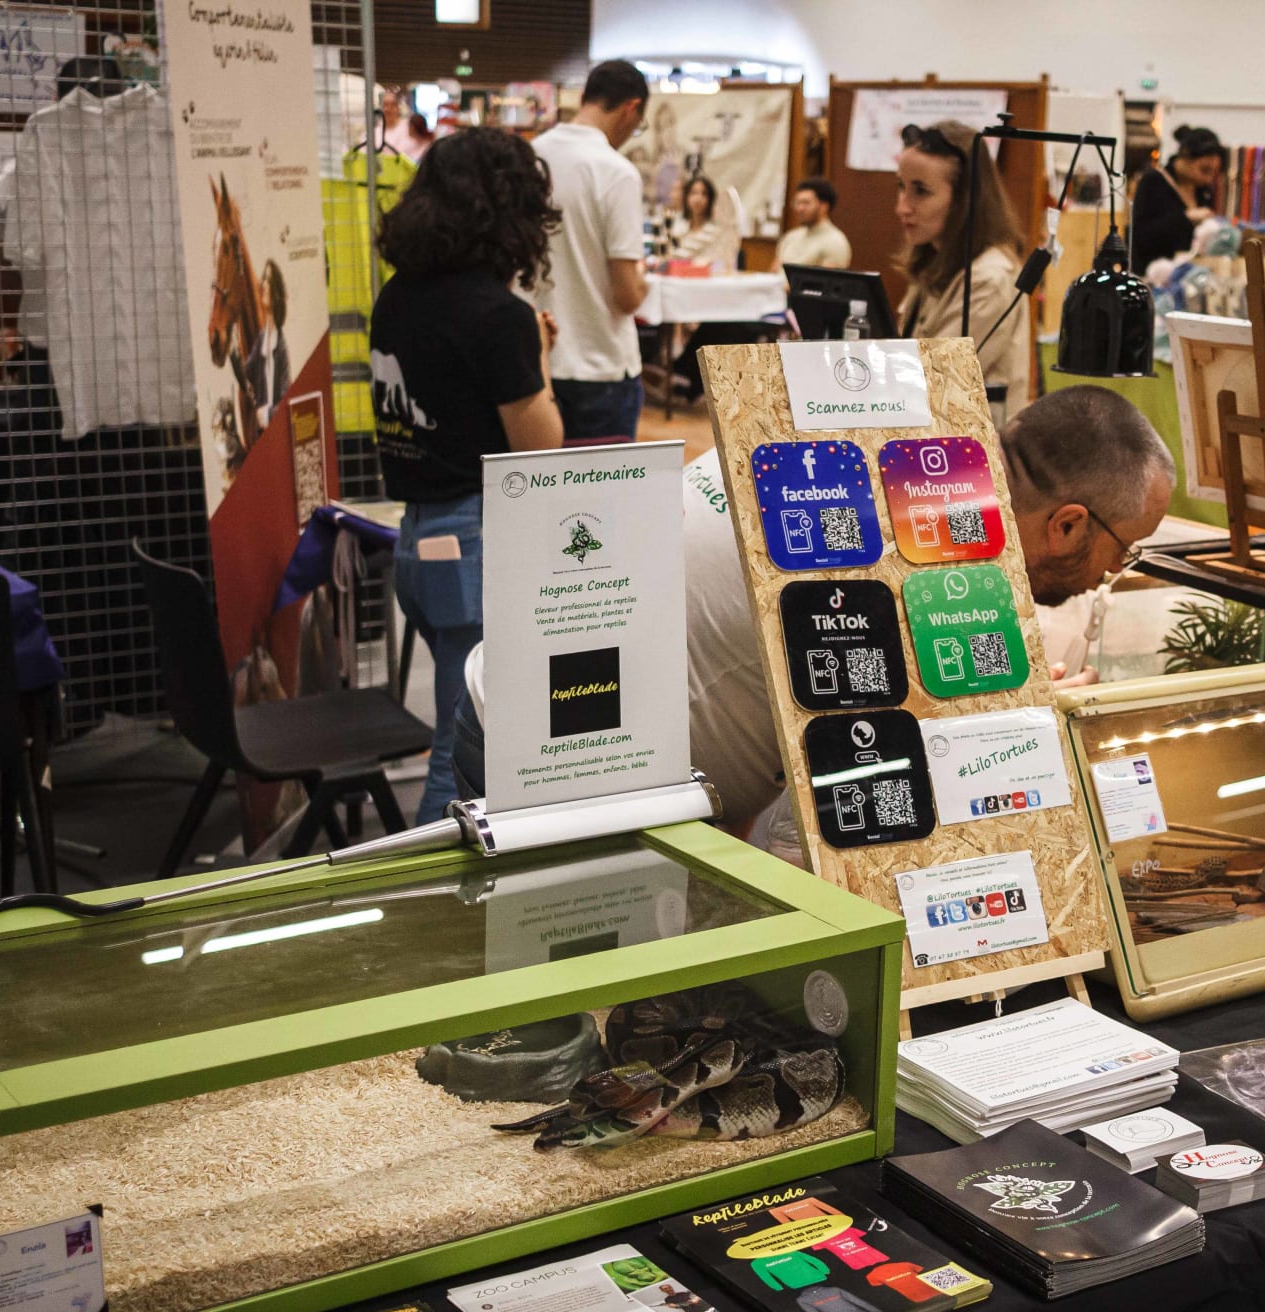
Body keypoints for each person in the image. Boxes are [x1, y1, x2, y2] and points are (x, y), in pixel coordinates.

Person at [449, 386, 1175, 860]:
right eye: (1126, 546)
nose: (1116, 571)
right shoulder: (910, 549)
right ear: (1070, 523)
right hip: (553, 751)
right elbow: (860, 787)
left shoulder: (893, 466)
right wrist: (1010, 719)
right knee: (569, 1019)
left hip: (568, 726)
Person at [370, 126, 563, 822]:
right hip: (477, 543)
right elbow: (538, 448)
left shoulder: (397, 296)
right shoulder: (497, 314)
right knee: (463, 765)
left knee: (458, 736)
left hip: (417, 544)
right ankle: (428, 905)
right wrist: (537, 357)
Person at [532, 59, 649, 441]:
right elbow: (627, 295)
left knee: (538, 495)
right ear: (631, 108)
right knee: (602, 499)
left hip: (535, 360)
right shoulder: (616, 172)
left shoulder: (527, 158)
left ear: (585, 97)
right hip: (600, 364)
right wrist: (645, 281)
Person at [894, 121, 1032, 414]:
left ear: (964, 200)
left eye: (920, 191)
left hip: (972, 452)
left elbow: (934, 378)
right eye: (901, 188)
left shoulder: (990, 278)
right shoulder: (935, 261)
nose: (903, 207)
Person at [1131, 125, 1225, 274]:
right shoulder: (1153, 182)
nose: (1208, 179)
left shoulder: (1203, 191)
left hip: (1190, 277)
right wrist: (1184, 218)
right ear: (1185, 157)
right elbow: (1140, 236)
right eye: (1204, 170)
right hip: (1154, 276)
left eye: (1213, 173)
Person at [247, 260, 290, 429]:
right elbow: (247, 373)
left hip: (277, 433)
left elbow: (289, 400)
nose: (263, 284)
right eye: (263, 278)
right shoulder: (261, 340)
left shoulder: (281, 347)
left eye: (268, 280)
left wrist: (268, 414)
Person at [777, 177, 851, 269]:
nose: (799, 208)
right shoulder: (790, 236)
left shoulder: (835, 242)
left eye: (806, 203)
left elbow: (825, 281)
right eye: (797, 202)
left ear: (824, 206)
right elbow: (774, 272)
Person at [671, 174, 740, 271]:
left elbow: (721, 262)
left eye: (704, 194)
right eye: (694, 193)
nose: (698, 199)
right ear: (686, 197)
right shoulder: (678, 229)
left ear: (710, 199)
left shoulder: (716, 232)